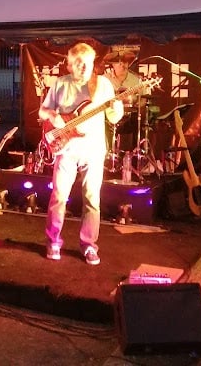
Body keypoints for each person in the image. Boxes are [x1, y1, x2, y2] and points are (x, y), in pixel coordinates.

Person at [38, 42, 123, 265]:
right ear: (69, 65)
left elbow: (114, 118)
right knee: (58, 196)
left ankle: (89, 246)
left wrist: (116, 109)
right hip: (66, 149)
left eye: (86, 63)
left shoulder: (103, 85)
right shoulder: (59, 84)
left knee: (92, 199)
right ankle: (53, 241)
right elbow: (42, 110)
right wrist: (53, 116)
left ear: (93, 63)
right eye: (77, 63)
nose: (83, 68)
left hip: (94, 150)